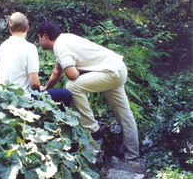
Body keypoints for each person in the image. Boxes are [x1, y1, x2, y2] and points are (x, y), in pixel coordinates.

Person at [37, 20, 140, 160]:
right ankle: (132, 156)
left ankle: (92, 129)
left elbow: (72, 75)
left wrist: (78, 70)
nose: (39, 42)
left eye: (38, 38)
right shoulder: (65, 39)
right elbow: (57, 71)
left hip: (110, 72)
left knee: (72, 87)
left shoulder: (60, 46)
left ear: (44, 35)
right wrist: (46, 88)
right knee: (124, 115)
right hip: (117, 69)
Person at [0, 12, 72, 107]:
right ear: (27, 28)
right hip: (22, 99)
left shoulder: (3, 46)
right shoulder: (29, 48)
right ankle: (54, 119)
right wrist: (41, 88)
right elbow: (34, 84)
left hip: (2, 97)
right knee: (66, 95)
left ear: (10, 29)